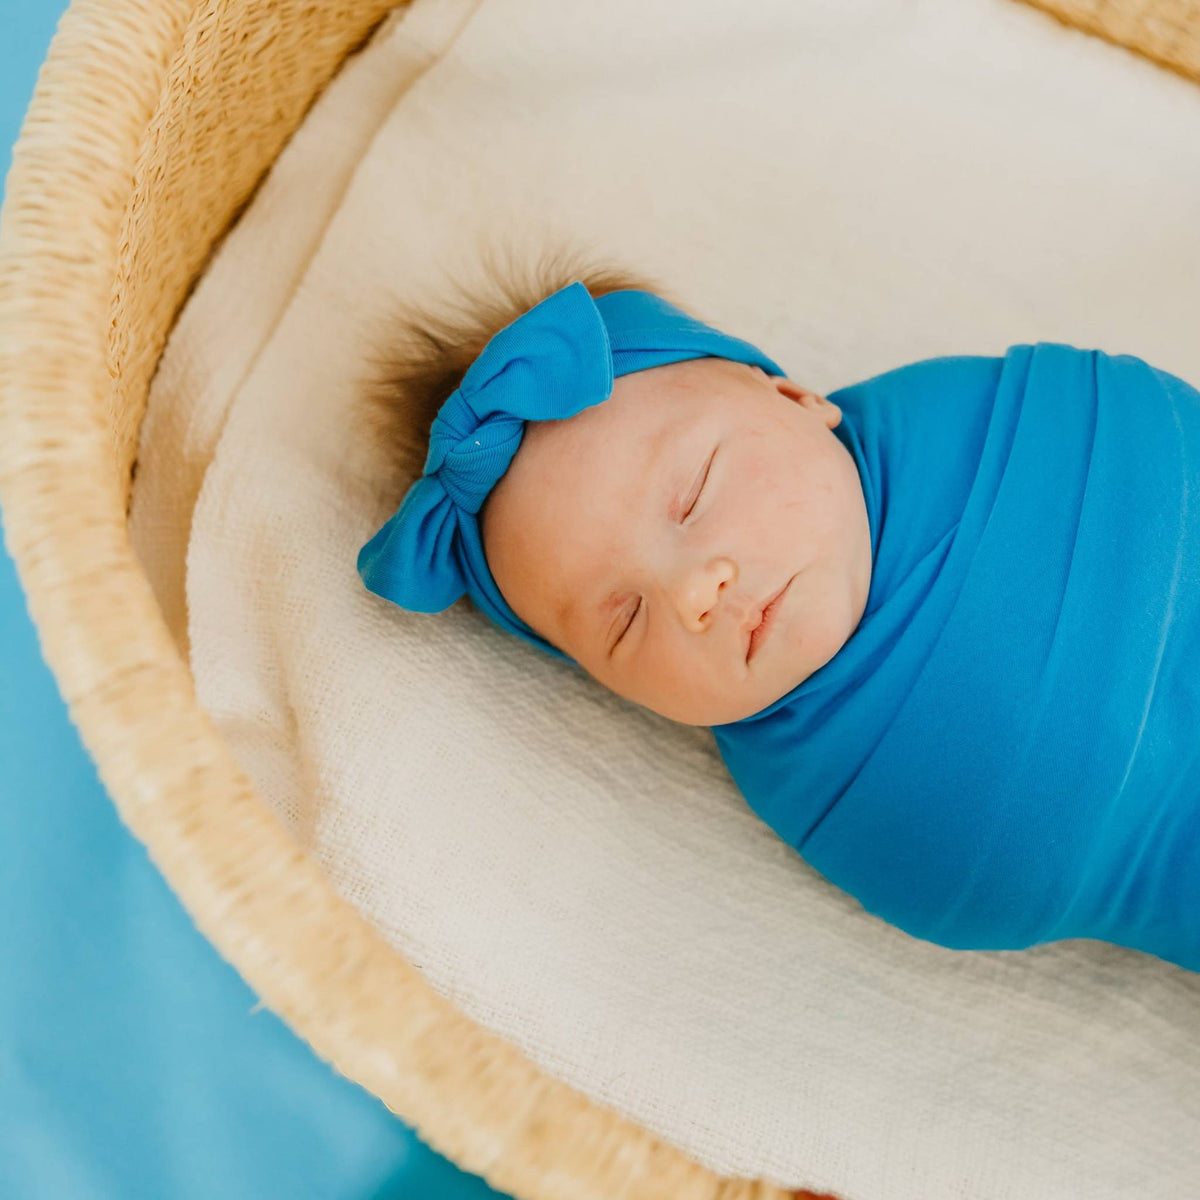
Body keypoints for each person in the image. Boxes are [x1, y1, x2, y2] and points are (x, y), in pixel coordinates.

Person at [355, 247, 1200, 975]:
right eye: (622, 621)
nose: (692, 593)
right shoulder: (808, 783)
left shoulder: (996, 425)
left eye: (693, 496)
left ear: (797, 401)